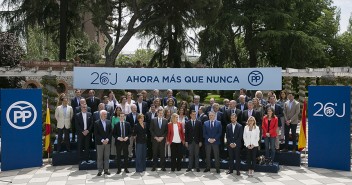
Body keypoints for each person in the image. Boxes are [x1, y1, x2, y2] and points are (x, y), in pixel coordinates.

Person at [94, 110, 112, 176]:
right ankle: (100, 170)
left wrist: (107, 139)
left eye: (106, 114)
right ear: (101, 115)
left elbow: (111, 132)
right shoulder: (96, 123)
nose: (105, 116)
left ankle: (106, 170)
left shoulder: (109, 122)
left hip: (107, 142)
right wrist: (102, 140)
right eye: (104, 114)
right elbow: (96, 133)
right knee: (100, 157)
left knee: (107, 157)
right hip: (100, 143)